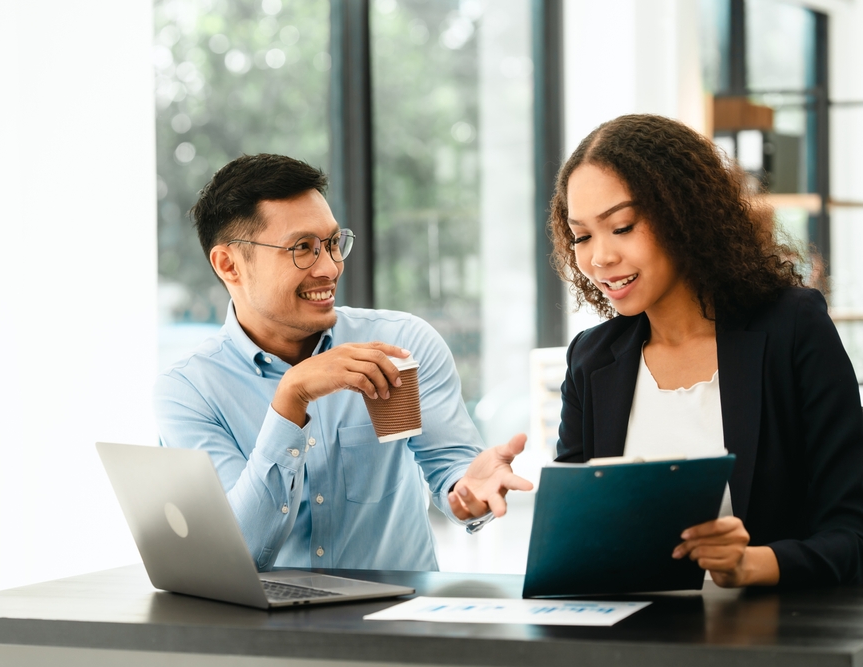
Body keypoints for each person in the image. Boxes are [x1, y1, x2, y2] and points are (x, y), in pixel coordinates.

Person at [154, 153, 532, 572]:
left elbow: (453, 474)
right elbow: (239, 554)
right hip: (269, 631)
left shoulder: (398, 347)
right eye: (303, 249)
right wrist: (290, 399)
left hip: (398, 620)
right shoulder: (190, 392)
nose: (330, 268)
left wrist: (467, 494)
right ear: (229, 265)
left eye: (332, 243)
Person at [550, 114, 863, 588]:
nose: (600, 258)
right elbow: (577, 544)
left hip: (770, 644)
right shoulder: (593, 360)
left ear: (685, 213)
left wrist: (751, 564)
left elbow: (852, 532)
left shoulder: (791, 328)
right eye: (582, 235)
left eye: (623, 226)